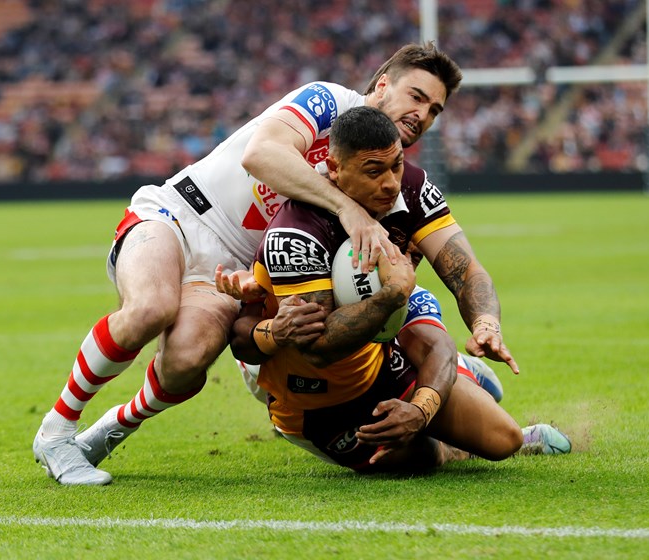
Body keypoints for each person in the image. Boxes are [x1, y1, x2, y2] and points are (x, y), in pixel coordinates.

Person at [32, 43, 466, 485]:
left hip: (230, 268)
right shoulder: (328, 100)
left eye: (434, 110)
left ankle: (113, 427)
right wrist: (347, 209)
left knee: (188, 357)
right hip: (178, 214)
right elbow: (260, 155)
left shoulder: (379, 170)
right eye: (416, 96)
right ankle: (58, 430)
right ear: (382, 84)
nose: (422, 114)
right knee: (152, 307)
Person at [226, 106, 544, 471]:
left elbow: (466, 270)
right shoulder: (297, 233)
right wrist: (392, 294)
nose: (391, 183)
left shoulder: (413, 188)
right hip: (313, 399)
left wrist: (485, 325)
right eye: (373, 171)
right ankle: (449, 416)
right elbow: (319, 349)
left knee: (506, 440)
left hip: (383, 349)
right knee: (420, 457)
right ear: (334, 168)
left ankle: (453, 370)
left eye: (396, 164)